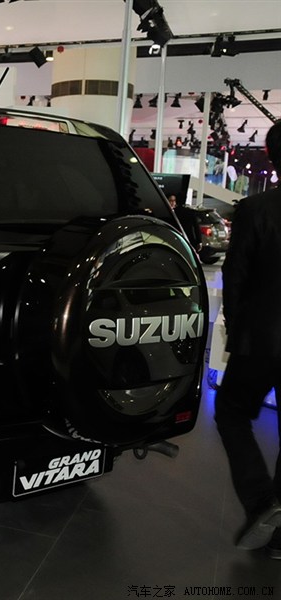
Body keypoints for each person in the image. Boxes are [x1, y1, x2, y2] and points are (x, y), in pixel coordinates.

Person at [215, 120, 281, 558]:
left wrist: (235, 333)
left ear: (272, 157)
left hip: (261, 339)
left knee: (230, 412)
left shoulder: (256, 210)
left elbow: (234, 276)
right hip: (262, 336)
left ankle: (261, 502)